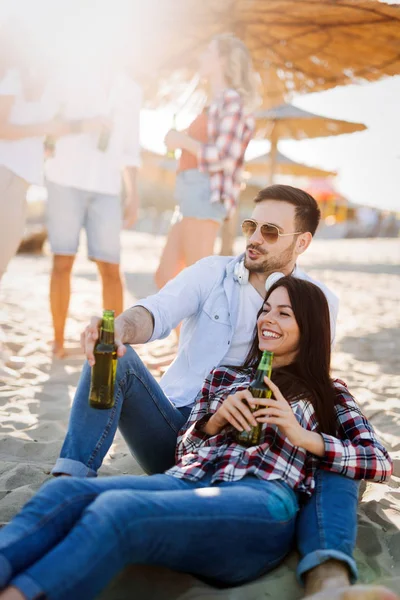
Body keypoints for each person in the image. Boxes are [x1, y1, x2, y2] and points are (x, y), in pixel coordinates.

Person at [0, 276, 394, 600]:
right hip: (186, 483)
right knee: (60, 496)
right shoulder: (225, 377)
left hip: (261, 499)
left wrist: (301, 435)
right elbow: (183, 452)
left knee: (118, 512)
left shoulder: (328, 392)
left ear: (310, 329)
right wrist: (212, 422)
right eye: (265, 310)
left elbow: (378, 461)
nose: (267, 319)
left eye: (284, 313)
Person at [0, 22, 105, 377]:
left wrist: (65, 130)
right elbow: (3, 126)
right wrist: (44, 131)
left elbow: (50, 126)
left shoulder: (40, 84)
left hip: (19, 178)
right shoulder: (14, 74)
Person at [44, 54, 142, 358]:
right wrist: (85, 124)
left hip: (107, 188)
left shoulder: (131, 90)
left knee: (110, 266)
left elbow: (130, 149)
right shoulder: (70, 76)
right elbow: (48, 125)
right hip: (64, 180)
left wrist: (133, 195)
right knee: (63, 262)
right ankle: (58, 342)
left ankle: (112, 341)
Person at [155, 33, 258, 289]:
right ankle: (188, 331)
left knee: (194, 283)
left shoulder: (232, 101)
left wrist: (181, 140)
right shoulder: (211, 103)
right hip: (190, 193)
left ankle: (200, 331)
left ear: (222, 61)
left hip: (205, 193)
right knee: (167, 276)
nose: (201, 57)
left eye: (208, 52)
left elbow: (223, 157)